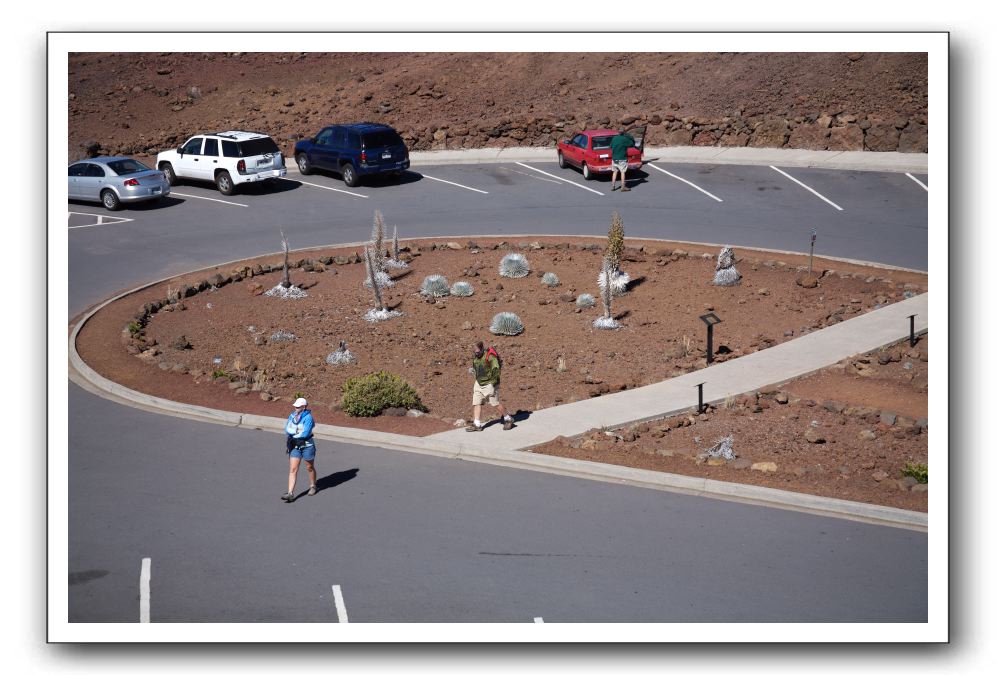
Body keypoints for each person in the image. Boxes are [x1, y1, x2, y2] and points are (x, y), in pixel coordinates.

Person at [467, 341, 514, 431]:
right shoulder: (476, 357)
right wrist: (473, 370)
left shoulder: (490, 357)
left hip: (490, 383)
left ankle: (508, 419)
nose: (476, 353)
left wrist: (492, 384)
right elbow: (478, 366)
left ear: (482, 349)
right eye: (475, 352)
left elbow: (496, 370)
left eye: (477, 352)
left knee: (495, 403)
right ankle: (477, 424)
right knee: (477, 402)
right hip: (479, 383)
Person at [282, 397, 317, 502]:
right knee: (293, 469)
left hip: (307, 446)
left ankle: (313, 486)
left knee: (309, 467)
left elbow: (305, 434)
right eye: (295, 406)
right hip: (295, 446)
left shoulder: (308, 418)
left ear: (304, 407)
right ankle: (290, 493)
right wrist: (296, 432)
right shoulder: (292, 416)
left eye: (298, 407)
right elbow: (287, 430)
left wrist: (294, 432)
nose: (295, 408)